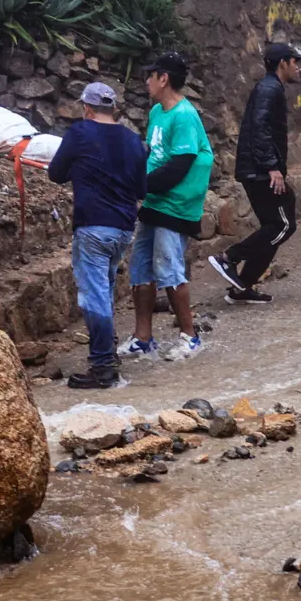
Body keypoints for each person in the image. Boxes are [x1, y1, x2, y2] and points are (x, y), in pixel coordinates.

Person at [47, 83, 148, 389]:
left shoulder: (80, 133)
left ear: (87, 108)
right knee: (103, 289)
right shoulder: (133, 140)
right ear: (113, 108)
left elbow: (55, 173)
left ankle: (103, 366)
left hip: (92, 227)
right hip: (123, 229)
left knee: (94, 297)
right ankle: (109, 353)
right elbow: (142, 189)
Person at [119, 53, 214, 360]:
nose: (146, 80)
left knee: (168, 266)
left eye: (151, 75)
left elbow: (181, 164)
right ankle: (142, 337)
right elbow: (155, 154)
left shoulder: (184, 115)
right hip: (155, 201)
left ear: (164, 79)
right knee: (140, 266)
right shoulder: (158, 112)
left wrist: (141, 186)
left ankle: (190, 335)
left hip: (175, 204)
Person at [208, 43, 301, 304]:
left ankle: (242, 288)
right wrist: (272, 166)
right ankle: (229, 257)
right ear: (282, 63)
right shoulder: (269, 89)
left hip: (257, 169)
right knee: (284, 225)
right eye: (294, 61)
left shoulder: (271, 88)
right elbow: (260, 129)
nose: (298, 66)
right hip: (261, 171)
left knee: (272, 227)